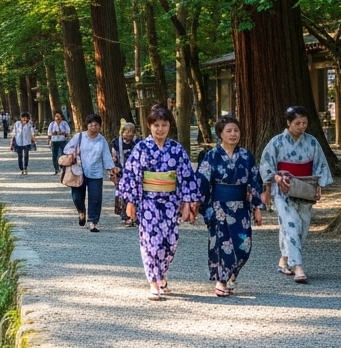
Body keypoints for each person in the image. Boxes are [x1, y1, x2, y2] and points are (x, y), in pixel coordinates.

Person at [116, 106, 201, 300]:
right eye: (156, 125)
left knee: (170, 242)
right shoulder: (141, 148)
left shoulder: (176, 149)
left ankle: (162, 273)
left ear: (170, 125)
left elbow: (186, 176)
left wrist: (187, 201)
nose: (160, 129)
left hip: (171, 201)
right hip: (148, 202)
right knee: (151, 242)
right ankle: (154, 282)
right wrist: (131, 201)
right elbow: (131, 175)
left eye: (164, 125)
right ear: (149, 126)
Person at [259, 105, 333, 285]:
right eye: (297, 123)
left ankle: (284, 260)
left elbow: (320, 165)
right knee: (291, 224)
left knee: (301, 228)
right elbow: (266, 165)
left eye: (304, 123)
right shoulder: (276, 142)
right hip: (284, 190)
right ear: (288, 123)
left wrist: (319, 185)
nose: (302, 126)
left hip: (305, 188)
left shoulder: (312, 142)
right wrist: (276, 177)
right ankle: (298, 266)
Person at [196, 115, 264, 297]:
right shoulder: (211, 156)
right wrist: (200, 205)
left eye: (236, 130)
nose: (233, 134)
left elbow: (254, 182)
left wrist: (257, 207)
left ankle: (232, 274)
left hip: (241, 207)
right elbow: (202, 182)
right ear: (220, 134)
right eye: (229, 131)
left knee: (244, 246)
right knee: (222, 244)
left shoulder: (246, 156)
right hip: (219, 207)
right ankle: (221, 280)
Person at [62, 115, 117, 231]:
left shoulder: (102, 140)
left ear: (100, 126)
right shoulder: (79, 136)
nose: (93, 127)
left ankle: (93, 222)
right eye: (91, 125)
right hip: (78, 171)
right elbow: (67, 149)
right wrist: (75, 153)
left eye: (96, 125)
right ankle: (81, 211)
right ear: (86, 126)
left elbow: (106, 156)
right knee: (77, 197)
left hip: (95, 172)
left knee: (96, 198)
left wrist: (111, 170)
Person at [112, 122, 139, 226]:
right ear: (122, 132)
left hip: (135, 173)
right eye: (127, 132)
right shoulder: (115, 143)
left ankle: (136, 217)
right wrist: (114, 170)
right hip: (121, 172)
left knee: (136, 194)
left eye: (132, 132)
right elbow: (113, 157)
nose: (129, 134)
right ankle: (126, 216)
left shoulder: (138, 142)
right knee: (123, 195)